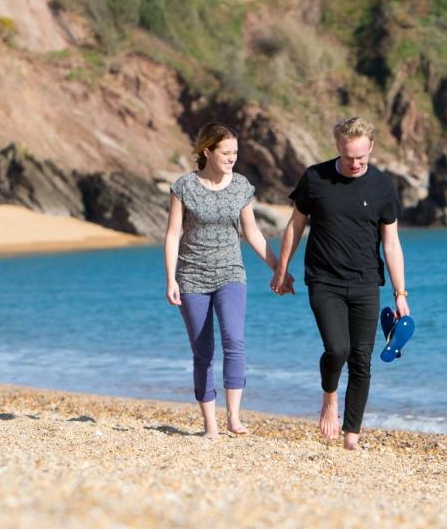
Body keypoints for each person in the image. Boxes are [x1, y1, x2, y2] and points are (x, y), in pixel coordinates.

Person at [272, 116, 409, 450]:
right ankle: (329, 397)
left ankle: (352, 435)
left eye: (362, 157)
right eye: (349, 157)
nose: (355, 163)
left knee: (362, 359)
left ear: (371, 147)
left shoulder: (382, 186)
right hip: (324, 280)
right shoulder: (315, 178)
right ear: (338, 147)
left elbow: (391, 242)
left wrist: (401, 293)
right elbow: (295, 225)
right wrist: (281, 268)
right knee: (338, 349)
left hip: (365, 281)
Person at [164, 123, 278, 439]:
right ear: (208, 152)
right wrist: (171, 279)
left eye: (235, 153)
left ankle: (234, 418)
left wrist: (277, 266)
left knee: (235, 340)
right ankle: (210, 426)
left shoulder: (241, 186)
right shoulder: (184, 186)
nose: (232, 158)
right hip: (192, 277)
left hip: (231, 273)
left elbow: (252, 232)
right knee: (203, 351)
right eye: (226, 152)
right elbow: (173, 234)